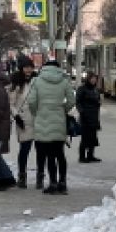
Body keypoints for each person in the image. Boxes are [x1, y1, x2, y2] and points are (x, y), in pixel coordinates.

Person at [27, 59, 75, 195]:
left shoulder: (36, 81)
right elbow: (71, 100)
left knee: (49, 155)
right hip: (59, 120)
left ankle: (53, 183)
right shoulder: (64, 81)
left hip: (42, 119)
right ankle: (63, 183)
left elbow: (31, 101)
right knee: (60, 153)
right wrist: (62, 110)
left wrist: (37, 112)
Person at [8, 55, 36, 188]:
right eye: (26, 67)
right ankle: (22, 175)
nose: (29, 70)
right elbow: (11, 103)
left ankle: (40, 176)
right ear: (21, 68)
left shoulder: (37, 80)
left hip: (38, 119)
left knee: (41, 150)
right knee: (25, 149)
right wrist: (17, 116)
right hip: (23, 120)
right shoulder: (16, 82)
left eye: (30, 67)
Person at [75, 71, 103, 163]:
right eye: (92, 78)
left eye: (95, 79)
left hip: (94, 116)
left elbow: (98, 100)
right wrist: (82, 112)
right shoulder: (82, 89)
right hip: (85, 116)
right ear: (88, 79)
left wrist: (98, 104)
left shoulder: (95, 90)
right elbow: (78, 102)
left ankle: (91, 155)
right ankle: (82, 157)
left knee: (93, 137)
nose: (94, 80)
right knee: (85, 138)